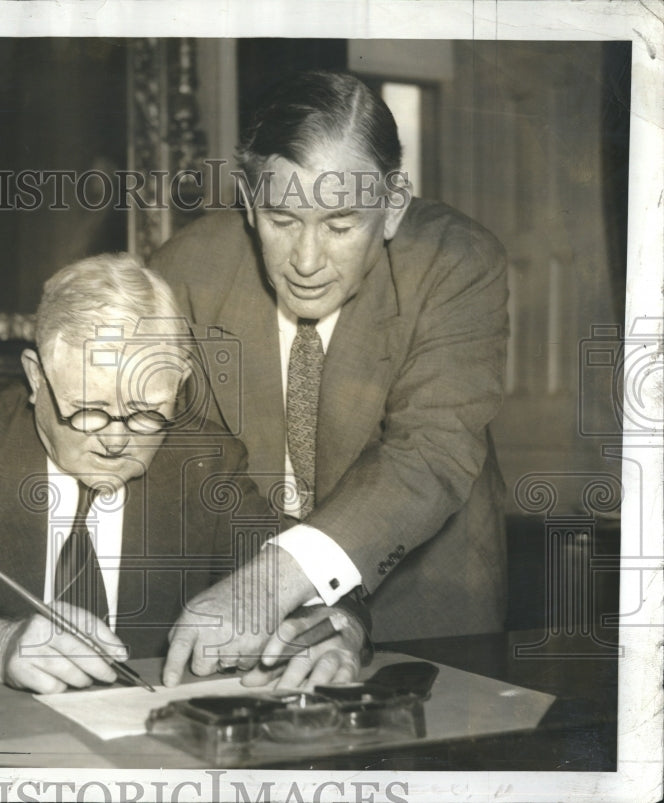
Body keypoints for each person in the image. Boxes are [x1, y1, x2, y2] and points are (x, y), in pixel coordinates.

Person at [0, 253, 370, 694]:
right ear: (36, 379)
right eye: (89, 410)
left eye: (147, 412)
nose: (117, 440)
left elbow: (323, 574)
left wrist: (336, 630)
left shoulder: (203, 461)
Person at [152, 71, 508, 682]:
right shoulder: (184, 272)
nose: (307, 262)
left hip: (423, 604)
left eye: (341, 226)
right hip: (249, 608)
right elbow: (195, 461)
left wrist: (279, 579)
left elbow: (428, 452)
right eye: (282, 220)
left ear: (393, 207)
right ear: (246, 197)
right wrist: (284, 601)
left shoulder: (457, 263)